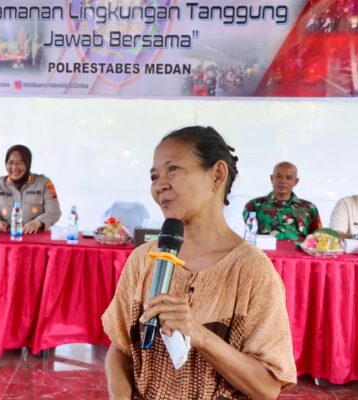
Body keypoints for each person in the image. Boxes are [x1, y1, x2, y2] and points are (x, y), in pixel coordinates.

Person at [102, 126, 296, 399]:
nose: (159, 185)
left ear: (217, 175)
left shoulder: (253, 271)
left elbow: (267, 388)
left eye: (173, 169)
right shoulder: (143, 259)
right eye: (154, 176)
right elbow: (121, 347)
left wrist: (201, 336)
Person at [0, 145, 61, 234]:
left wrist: (38, 222)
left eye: (20, 163)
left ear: (28, 164)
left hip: (35, 237)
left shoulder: (44, 183)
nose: (14, 168)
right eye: (10, 162)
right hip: (6, 237)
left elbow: (54, 212)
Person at [242, 161, 321, 242]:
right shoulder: (254, 205)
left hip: (298, 250)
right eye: (279, 176)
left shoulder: (309, 208)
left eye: (288, 177)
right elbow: (248, 236)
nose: (283, 181)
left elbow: (319, 238)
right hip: (263, 250)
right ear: (272, 178)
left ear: (296, 181)